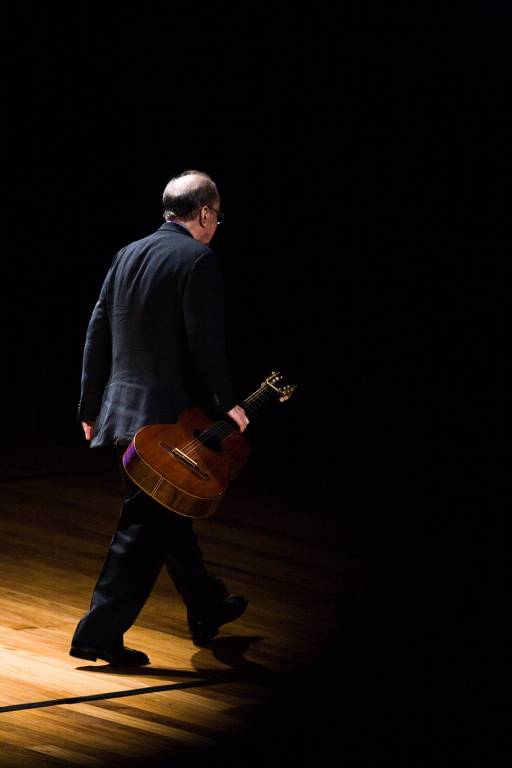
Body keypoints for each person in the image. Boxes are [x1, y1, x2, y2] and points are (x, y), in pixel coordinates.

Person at [70, 170, 249, 667]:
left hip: (121, 410)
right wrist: (226, 406)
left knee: (163, 516)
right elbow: (205, 343)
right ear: (206, 213)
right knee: (144, 524)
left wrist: (89, 406)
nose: (217, 222)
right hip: (164, 420)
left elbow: (97, 329)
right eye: (218, 214)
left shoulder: (127, 253)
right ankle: (97, 633)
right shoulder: (199, 259)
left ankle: (206, 606)